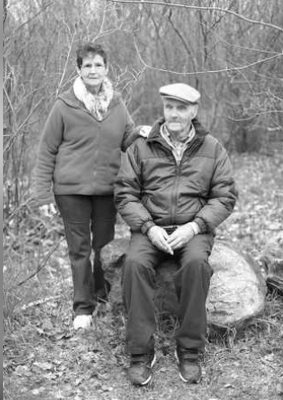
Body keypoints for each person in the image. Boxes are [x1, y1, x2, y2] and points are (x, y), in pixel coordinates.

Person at [114, 83, 238, 385]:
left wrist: (195, 226)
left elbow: (224, 196)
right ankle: (141, 353)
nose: (174, 114)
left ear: (194, 111)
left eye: (181, 108)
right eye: (169, 107)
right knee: (134, 265)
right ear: (163, 109)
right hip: (150, 227)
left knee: (196, 265)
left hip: (193, 228)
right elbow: (124, 193)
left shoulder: (212, 148)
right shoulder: (141, 146)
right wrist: (148, 227)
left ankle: (190, 351)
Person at [29, 42, 147, 330]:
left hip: (107, 190)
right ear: (79, 70)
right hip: (71, 191)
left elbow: (126, 137)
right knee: (79, 249)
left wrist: (141, 133)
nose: (93, 70)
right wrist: (41, 194)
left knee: (103, 247)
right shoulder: (65, 105)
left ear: (106, 69)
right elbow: (47, 150)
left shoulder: (116, 103)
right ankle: (83, 307)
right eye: (87, 65)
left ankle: (103, 295)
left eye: (98, 65)